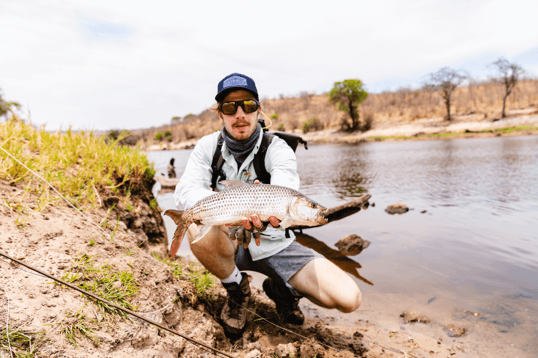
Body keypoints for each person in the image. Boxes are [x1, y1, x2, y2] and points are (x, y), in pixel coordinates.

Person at [174, 73, 361, 334]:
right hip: (227, 242)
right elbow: (186, 189)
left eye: (247, 105)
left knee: (349, 299)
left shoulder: (279, 147)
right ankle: (236, 290)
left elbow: (287, 187)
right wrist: (217, 207)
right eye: (230, 107)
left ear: (258, 110)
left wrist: (266, 200)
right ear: (221, 114)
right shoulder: (207, 147)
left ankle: (281, 288)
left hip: (275, 243)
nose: (239, 113)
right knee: (195, 224)